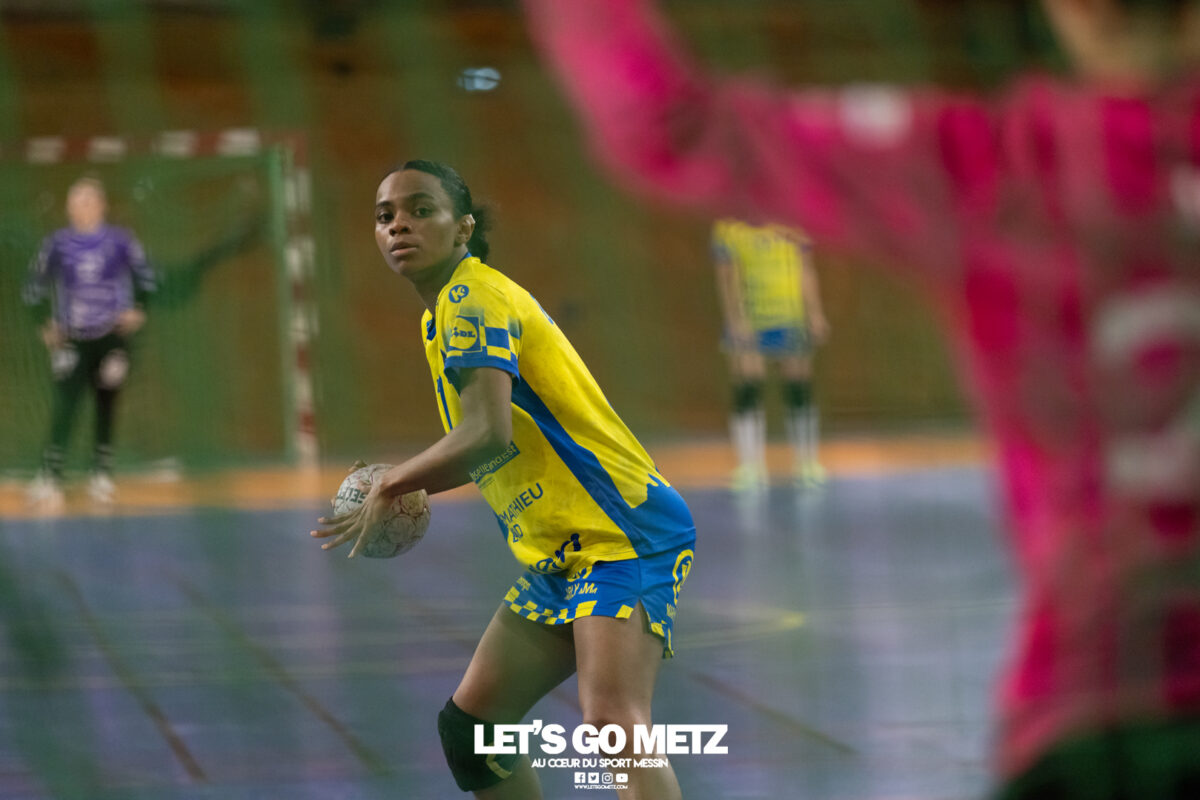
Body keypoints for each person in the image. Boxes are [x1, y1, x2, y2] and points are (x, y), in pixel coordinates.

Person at [522, 0, 1200, 798]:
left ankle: (779, 455)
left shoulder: (1000, 162)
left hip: (1101, 715)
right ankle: (769, 455)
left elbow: (668, 126)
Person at [311, 160, 696, 800]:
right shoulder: (442, 313)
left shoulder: (473, 297)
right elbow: (487, 447)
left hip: (620, 532)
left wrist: (392, 483)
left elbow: (488, 434)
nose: (399, 224)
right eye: (385, 216)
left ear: (463, 228)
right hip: (564, 549)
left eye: (420, 209)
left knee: (614, 725)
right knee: (474, 731)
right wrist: (403, 482)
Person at [22, 176, 156, 511]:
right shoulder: (57, 244)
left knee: (106, 403)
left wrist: (139, 309)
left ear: (100, 205)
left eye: (85, 201)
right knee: (65, 405)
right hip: (73, 338)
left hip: (112, 337)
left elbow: (148, 277)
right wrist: (44, 323)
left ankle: (102, 476)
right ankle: (50, 477)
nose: (77, 207)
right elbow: (33, 286)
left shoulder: (121, 240)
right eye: (73, 202)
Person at [712, 218, 830, 492]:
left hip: (790, 315)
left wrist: (814, 313)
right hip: (750, 318)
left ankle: (807, 463)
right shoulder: (729, 225)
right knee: (748, 385)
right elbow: (725, 275)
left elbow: (805, 268)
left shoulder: (792, 218)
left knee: (798, 385)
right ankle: (750, 467)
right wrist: (735, 319)